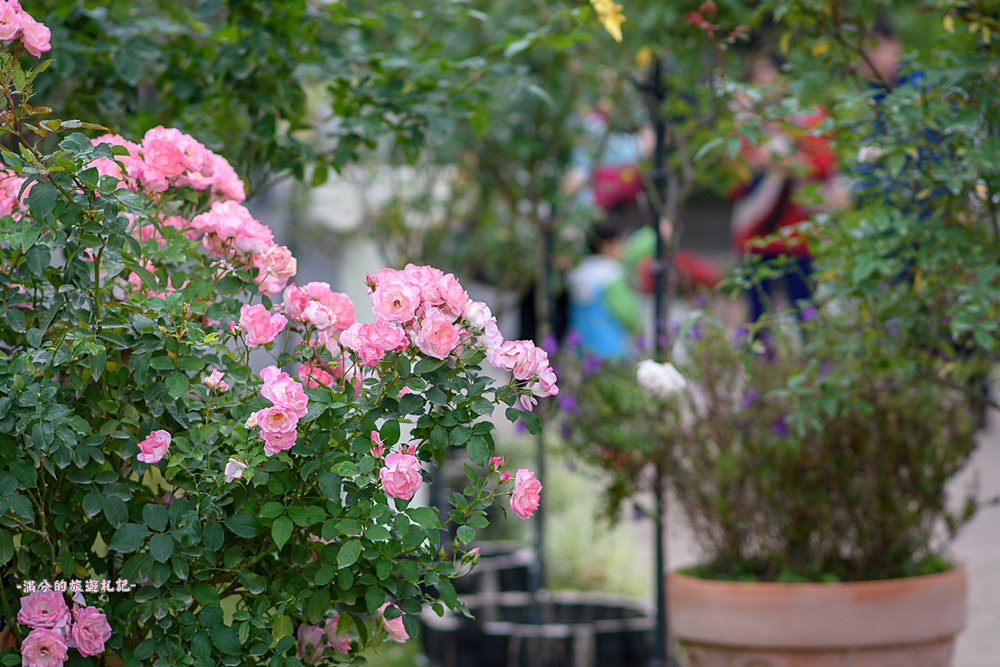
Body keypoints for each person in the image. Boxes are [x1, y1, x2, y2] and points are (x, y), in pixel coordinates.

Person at [729, 53, 839, 322]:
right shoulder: (744, 125)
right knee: (758, 314)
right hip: (757, 231)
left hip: (797, 230)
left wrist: (790, 163)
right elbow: (733, 181)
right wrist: (760, 161)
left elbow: (824, 164)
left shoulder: (806, 119)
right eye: (759, 77)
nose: (767, 82)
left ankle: (811, 358)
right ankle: (763, 360)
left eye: (771, 75)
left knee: (804, 307)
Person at [567, 217, 644, 359]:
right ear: (607, 245)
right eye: (619, 242)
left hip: (583, 345)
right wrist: (638, 327)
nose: (622, 247)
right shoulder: (612, 273)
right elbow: (627, 312)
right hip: (614, 346)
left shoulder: (579, 270)